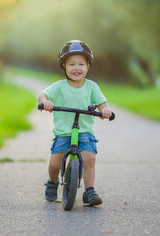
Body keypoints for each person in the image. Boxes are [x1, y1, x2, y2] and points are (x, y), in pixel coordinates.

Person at [38, 40, 112, 206]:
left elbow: (102, 103)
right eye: (71, 64)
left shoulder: (92, 87)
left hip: (84, 131)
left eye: (81, 64)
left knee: (90, 158)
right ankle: (52, 182)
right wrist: (46, 102)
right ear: (64, 66)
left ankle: (89, 191)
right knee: (55, 163)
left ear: (87, 66)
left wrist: (105, 110)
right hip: (64, 132)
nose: (76, 68)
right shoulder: (59, 86)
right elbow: (43, 94)